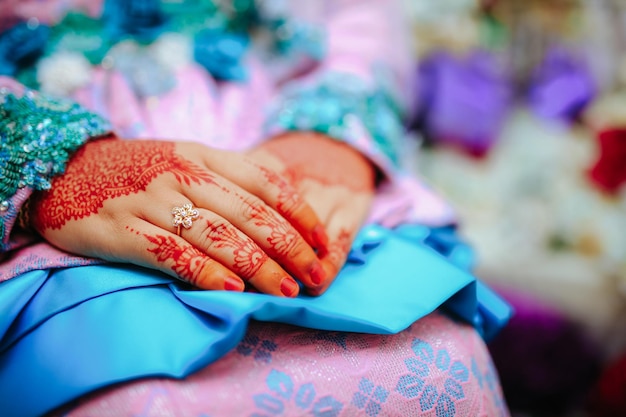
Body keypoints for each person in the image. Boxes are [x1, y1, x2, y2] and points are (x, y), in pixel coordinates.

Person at [0, 1, 512, 415]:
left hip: (287, 146)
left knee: (443, 362)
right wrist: (44, 155)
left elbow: (361, 20)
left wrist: (331, 128)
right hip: (66, 191)